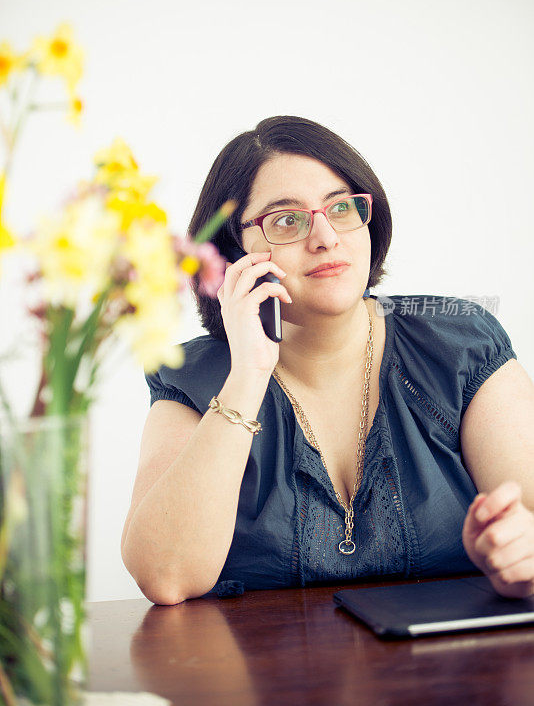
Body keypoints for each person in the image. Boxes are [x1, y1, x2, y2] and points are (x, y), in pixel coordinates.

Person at [121, 115, 534, 605]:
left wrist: (519, 560)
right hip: (263, 677)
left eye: (341, 207)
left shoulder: (460, 342)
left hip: (449, 672)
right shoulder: (191, 378)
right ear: (233, 254)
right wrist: (249, 374)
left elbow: (527, 524)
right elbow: (165, 576)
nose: (325, 238)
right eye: (286, 220)